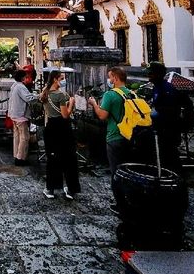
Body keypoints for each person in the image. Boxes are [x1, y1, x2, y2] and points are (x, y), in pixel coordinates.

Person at [88, 66, 132, 211]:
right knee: (128, 169)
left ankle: (121, 204)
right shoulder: (132, 93)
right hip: (130, 137)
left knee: (116, 171)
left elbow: (102, 115)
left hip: (115, 136)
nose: (109, 80)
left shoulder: (110, 94)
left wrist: (94, 104)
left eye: (110, 77)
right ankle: (131, 199)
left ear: (115, 78)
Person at [40, 70, 80, 199]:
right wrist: (72, 104)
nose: (63, 81)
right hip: (63, 127)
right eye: (61, 78)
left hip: (51, 127)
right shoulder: (60, 95)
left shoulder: (44, 93)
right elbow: (65, 114)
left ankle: (50, 188)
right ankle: (70, 188)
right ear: (56, 79)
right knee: (69, 158)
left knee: (53, 158)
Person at [146, 61, 183, 174]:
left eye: (150, 73)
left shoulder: (166, 88)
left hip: (168, 127)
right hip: (163, 125)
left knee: (169, 154)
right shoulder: (158, 87)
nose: (148, 76)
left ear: (156, 74)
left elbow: (168, 111)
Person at [8, 69, 40, 166]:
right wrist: (39, 96)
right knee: (25, 137)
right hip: (20, 115)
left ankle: (16, 155)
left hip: (14, 114)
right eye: (26, 77)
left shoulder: (14, 85)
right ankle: (20, 158)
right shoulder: (21, 87)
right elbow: (28, 98)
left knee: (17, 136)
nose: (27, 79)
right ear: (22, 78)